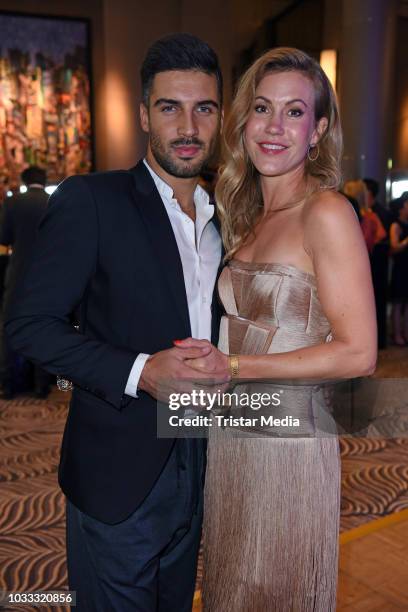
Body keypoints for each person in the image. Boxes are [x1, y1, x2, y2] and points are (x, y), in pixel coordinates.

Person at [5, 33, 225, 612]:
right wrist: (140, 371)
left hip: (203, 463)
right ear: (144, 115)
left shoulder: (224, 216)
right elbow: (29, 325)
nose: (188, 126)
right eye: (169, 107)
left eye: (203, 108)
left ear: (220, 116)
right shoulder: (92, 200)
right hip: (118, 472)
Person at [178, 47, 377, 610]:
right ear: (243, 122)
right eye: (263, 108)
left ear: (317, 131)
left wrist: (236, 367)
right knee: (231, 584)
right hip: (234, 431)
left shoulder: (327, 213)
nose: (274, 126)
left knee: (273, 590)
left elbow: (359, 353)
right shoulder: (245, 217)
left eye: (295, 112)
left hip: (289, 446)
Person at [0, 166, 51, 398]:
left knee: (9, 326)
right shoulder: (54, 201)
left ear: (23, 181)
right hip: (48, 276)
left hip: (18, 272)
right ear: (44, 180)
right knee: (45, 327)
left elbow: (4, 238)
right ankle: (41, 385)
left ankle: (9, 384)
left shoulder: (13, 203)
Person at [363, 178, 391, 349]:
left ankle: (377, 340)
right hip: (375, 265)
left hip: (375, 266)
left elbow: (381, 235)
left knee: (375, 303)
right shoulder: (374, 212)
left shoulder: (373, 214)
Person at [389, 192, 408, 345]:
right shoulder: (396, 225)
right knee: (397, 302)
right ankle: (396, 334)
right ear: (402, 207)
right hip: (400, 268)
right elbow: (393, 248)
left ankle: (406, 332)